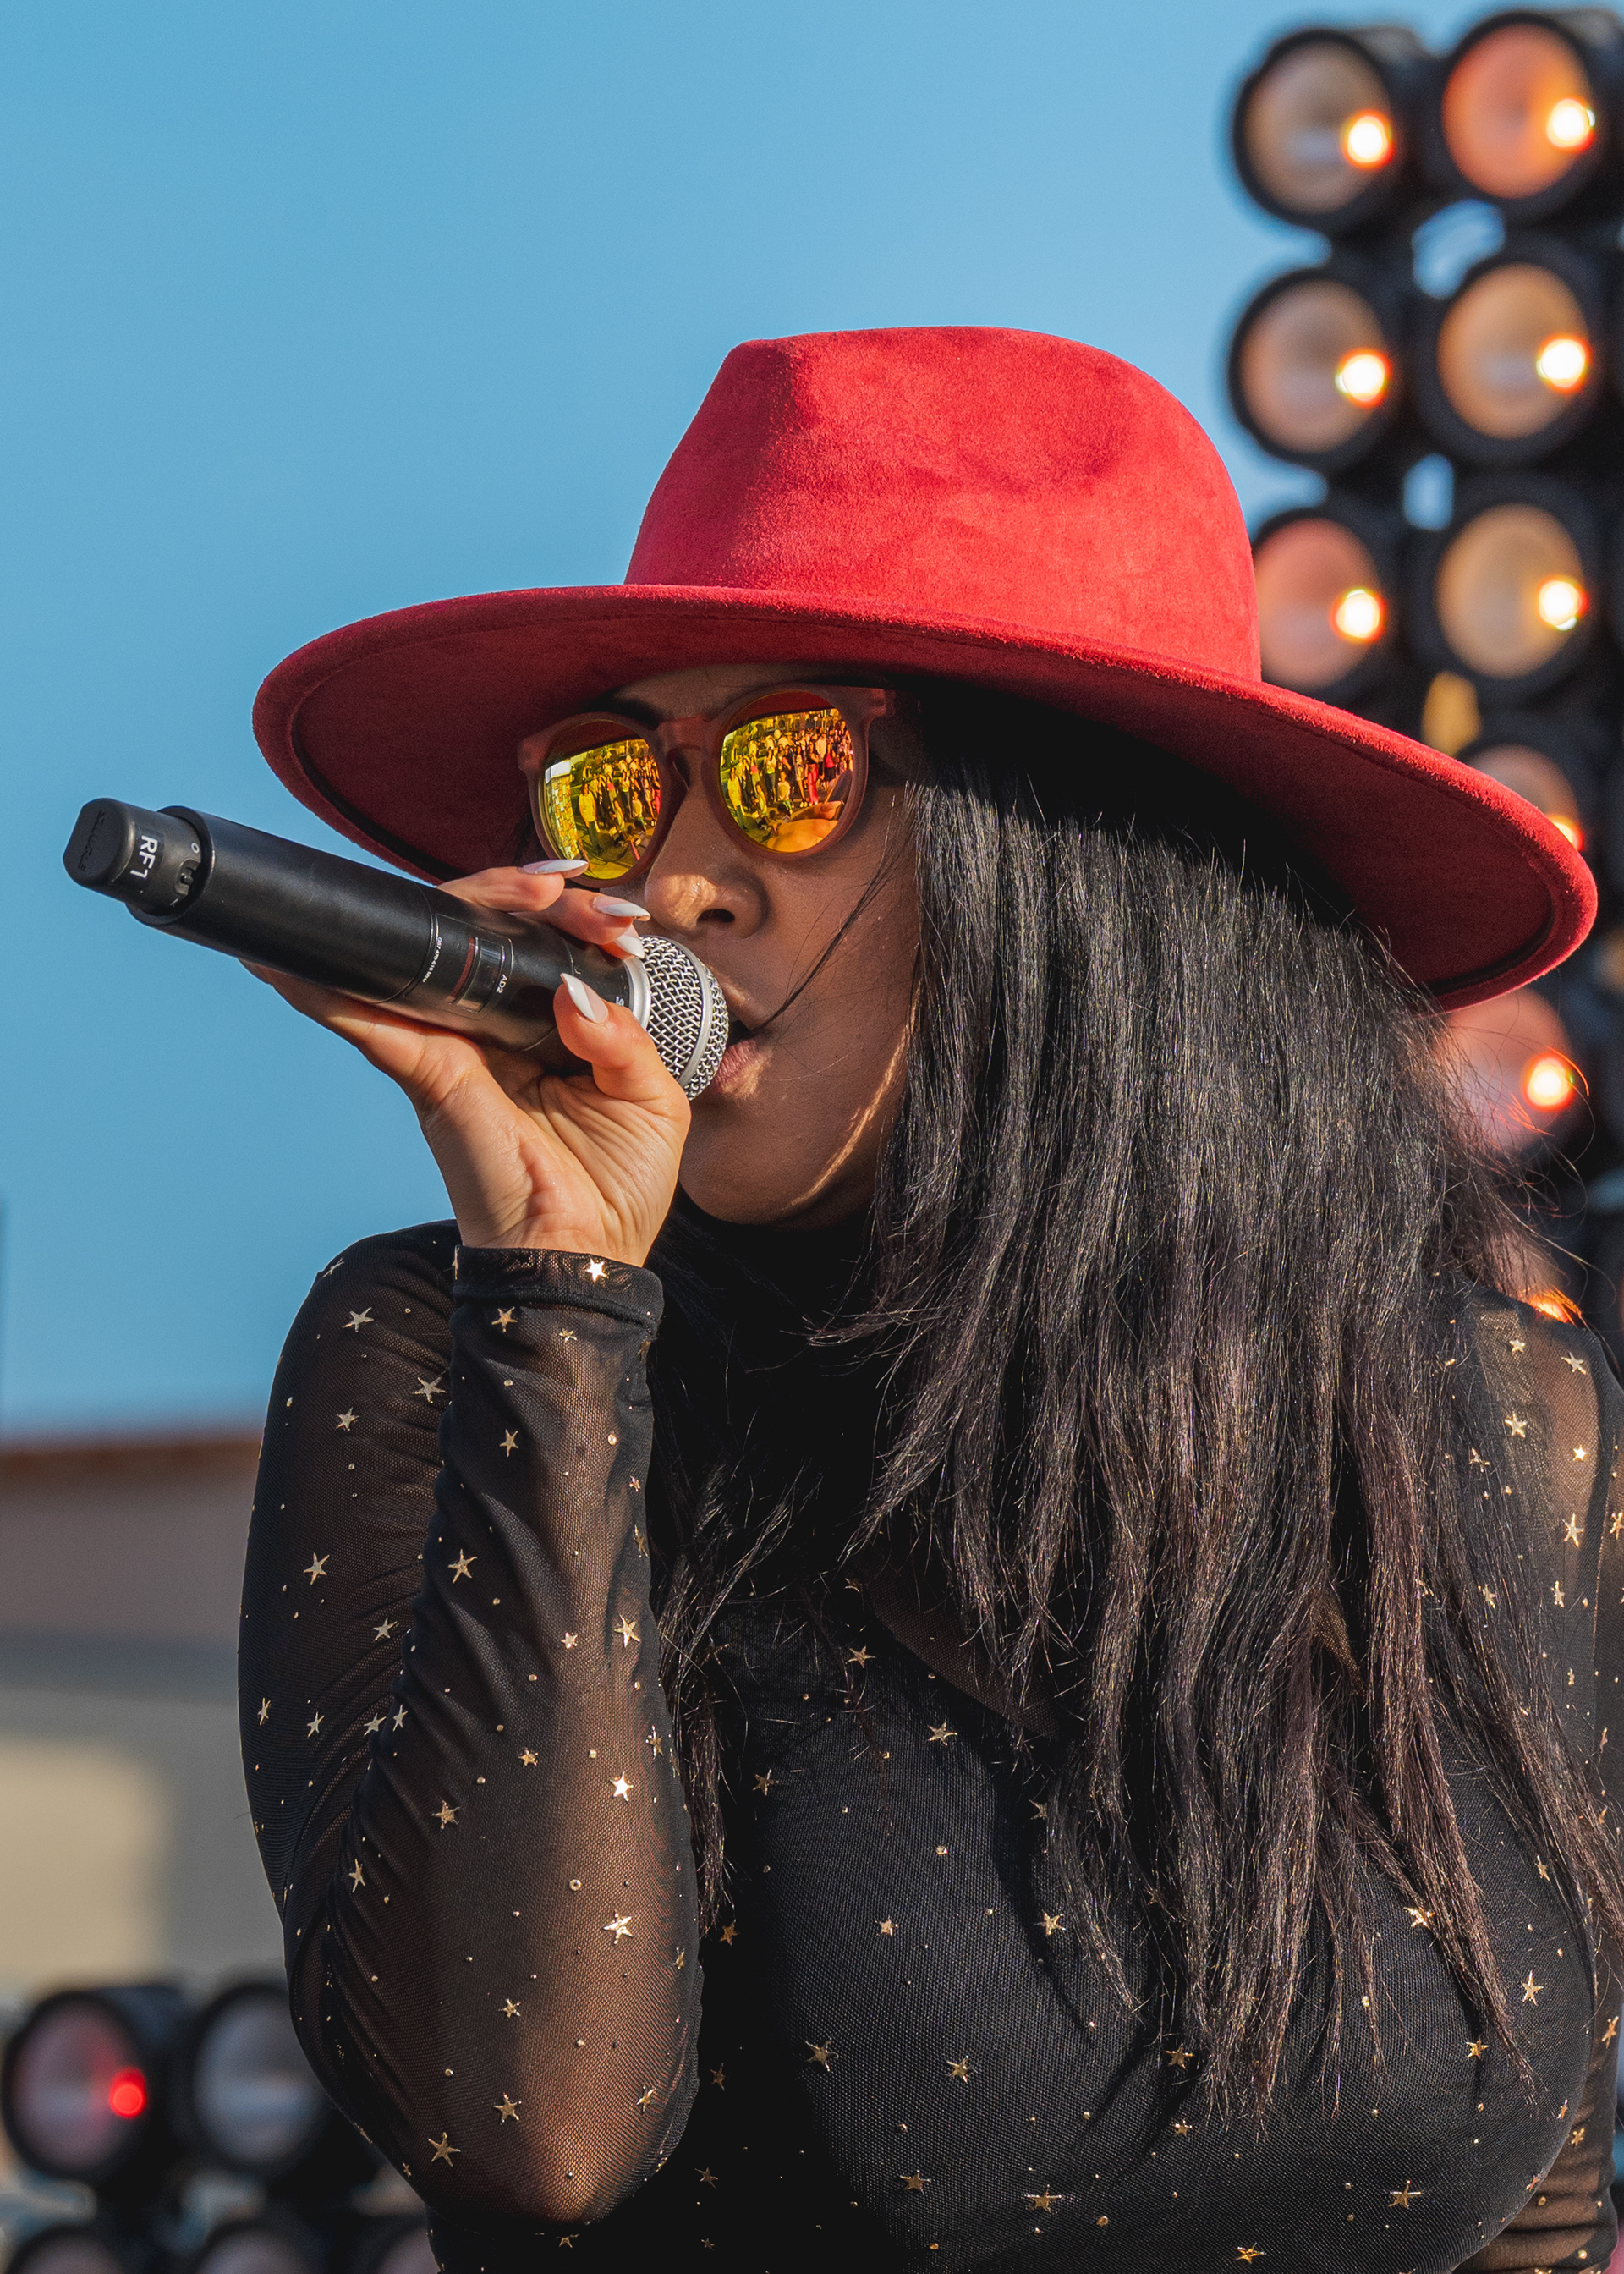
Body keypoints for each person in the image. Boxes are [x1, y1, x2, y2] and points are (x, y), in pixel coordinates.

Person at [239, 327, 1624, 2271]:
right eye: (614, 789)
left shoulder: (1485, 1420)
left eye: (792, 770)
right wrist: (554, 1294)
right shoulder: (468, 1354)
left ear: (1101, 870)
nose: (676, 885)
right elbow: (525, 2129)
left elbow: (1538, 2194)